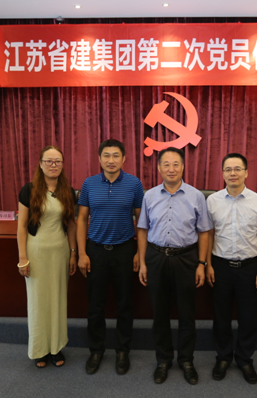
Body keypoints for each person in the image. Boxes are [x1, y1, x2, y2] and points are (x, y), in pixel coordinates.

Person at [137, 147, 210, 385]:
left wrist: (201, 264)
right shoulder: (149, 196)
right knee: (159, 313)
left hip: (186, 259)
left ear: (183, 167)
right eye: (166, 164)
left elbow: (204, 232)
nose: (171, 169)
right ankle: (163, 360)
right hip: (156, 257)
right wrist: (143, 262)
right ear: (159, 168)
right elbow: (142, 230)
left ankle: (186, 360)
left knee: (187, 314)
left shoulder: (196, 196)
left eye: (176, 164)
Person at [205, 153, 257, 384]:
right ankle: (223, 357)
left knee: (248, 317)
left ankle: (245, 359)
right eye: (228, 169)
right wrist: (207, 264)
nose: (232, 173)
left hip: (250, 267)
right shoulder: (212, 201)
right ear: (222, 173)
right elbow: (208, 234)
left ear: (246, 172)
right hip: (220, 266)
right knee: (221, 316)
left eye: (237, 169)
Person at [77, 139, 144, 376]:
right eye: (106, 155)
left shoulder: (134, 183)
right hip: (95, 251)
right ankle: (96, 351)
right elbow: (81, 219)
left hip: (125, 250)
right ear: (99, 159)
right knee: (95, 305)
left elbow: (141, 221)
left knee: (125, 305)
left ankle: (122, 351)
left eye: (116, 155)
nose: (111, 160)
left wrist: (139, 252)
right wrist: (82, 253)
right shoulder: (89, 183)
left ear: (124, 159)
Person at [17, 145, 77, 368]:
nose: (53, 165)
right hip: (36, 251)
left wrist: (73, 253)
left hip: (60, 251)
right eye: (49, 161)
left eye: (57, 161)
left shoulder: (68, 191)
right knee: (38, 300)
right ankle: (40, 349)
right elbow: (22, 226)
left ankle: (56, 347)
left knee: (58, 299)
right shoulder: (29, 190)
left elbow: (71, 225)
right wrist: (22, 258)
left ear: (62, 165)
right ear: (41, 164)